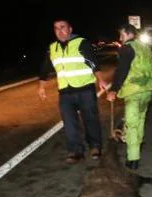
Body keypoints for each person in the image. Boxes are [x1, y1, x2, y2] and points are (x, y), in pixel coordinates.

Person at [38, 18, 103, 164]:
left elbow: (93, 62)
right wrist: (41, 86)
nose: (59, 31)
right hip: (65, 91)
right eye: (56, 28)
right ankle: (75, 151)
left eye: (63, 27)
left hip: (85, 89)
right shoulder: (52, 48)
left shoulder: (81, 43)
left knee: (90, 119)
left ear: (70, 29)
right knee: (69, 122)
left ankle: (95, 146)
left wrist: (100, 79)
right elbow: (45, 67)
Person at [103, 23, 152, 170]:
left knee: (131, 125)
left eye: (122, 35)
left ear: (129, 34)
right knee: (140, 121)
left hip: (134, 91)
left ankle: (133, 159)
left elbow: (122, 70)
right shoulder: (144, 47)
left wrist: (113, 90)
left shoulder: (127, 48)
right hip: (148, 89)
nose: (120, 38)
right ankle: (137, 148)